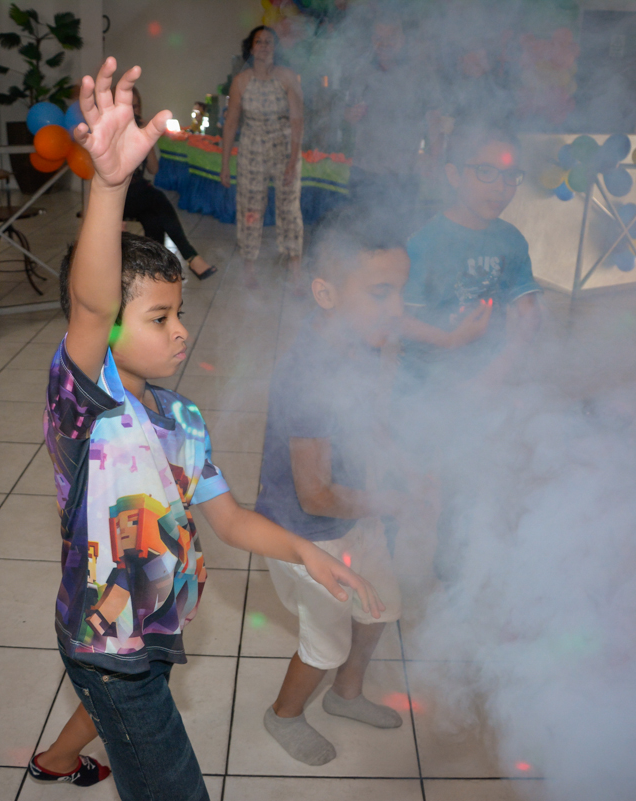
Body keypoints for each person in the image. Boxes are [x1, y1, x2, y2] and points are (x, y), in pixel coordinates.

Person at [37, 58, 382, 801]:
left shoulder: (181, 418)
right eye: (159, 317)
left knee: (125, 709)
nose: (181, 331)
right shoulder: (87, 406)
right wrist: (109, 184)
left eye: (180, 313)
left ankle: (59, 760)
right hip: (107, 644)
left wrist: (305, 553)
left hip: (158, 626)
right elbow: (92, 305)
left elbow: (227, 518)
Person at [255, 207, 423, 765]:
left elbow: (370, 419)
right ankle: (284, 715)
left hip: (354, 512)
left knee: (381, 607)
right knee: (325, 643)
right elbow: (316, 495)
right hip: (307, 534)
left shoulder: (363, 345)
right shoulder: (309, 375)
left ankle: (346, 696)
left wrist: (399, 466)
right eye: (380, 293)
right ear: (326, 293)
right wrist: (392, 503)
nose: (397, 308)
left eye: (401, 291)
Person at [396, 120, 540, 582]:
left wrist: (495, 373)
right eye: (486, 172)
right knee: (411, 479)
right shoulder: (425, 243)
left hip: (481, 382)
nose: (500, 187)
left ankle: (449, 568)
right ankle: (389, 566)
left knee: (464, 477)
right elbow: (398, 321)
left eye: (511, 176)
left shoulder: (511, 241)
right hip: (422, 384)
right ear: (454, 174)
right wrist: (450, 341)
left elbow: (527, 315)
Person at [220, 26, 305, 289]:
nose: (264, 46)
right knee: (250, 208)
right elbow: (231, 123)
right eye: (259, 41)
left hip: (284, 148)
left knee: (289, 208)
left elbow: (297, 120)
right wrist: (225, 164)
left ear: (275, 48)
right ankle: (249, 266)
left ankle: (295, 266)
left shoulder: (287, 77)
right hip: (252, 150)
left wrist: (293, 160)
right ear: (251, 47)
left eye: (269, 42)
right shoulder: (241, 81)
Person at [342, 13, 441, 219]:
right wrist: (350, 114)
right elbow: (347, 114)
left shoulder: (420, 73)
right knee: (359, 229)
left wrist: (434, 158)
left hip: (403, 173)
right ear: (372, 40)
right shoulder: (362, 72)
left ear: (402, 40)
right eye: (379, 38)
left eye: (391, 38)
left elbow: (434, 119)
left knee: (399, 231)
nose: (384, 43)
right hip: (365, 170)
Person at [125, 87, 215, 281]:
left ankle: (156, 271)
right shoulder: (114, 134)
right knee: (156, 197)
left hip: (140, 195)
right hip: (120, 197)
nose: (133, 111)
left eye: (136, 106)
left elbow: (153, 169)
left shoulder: (141, 131)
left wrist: (147, 140)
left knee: (153, 219)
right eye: (129, 106)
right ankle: (190, 256)